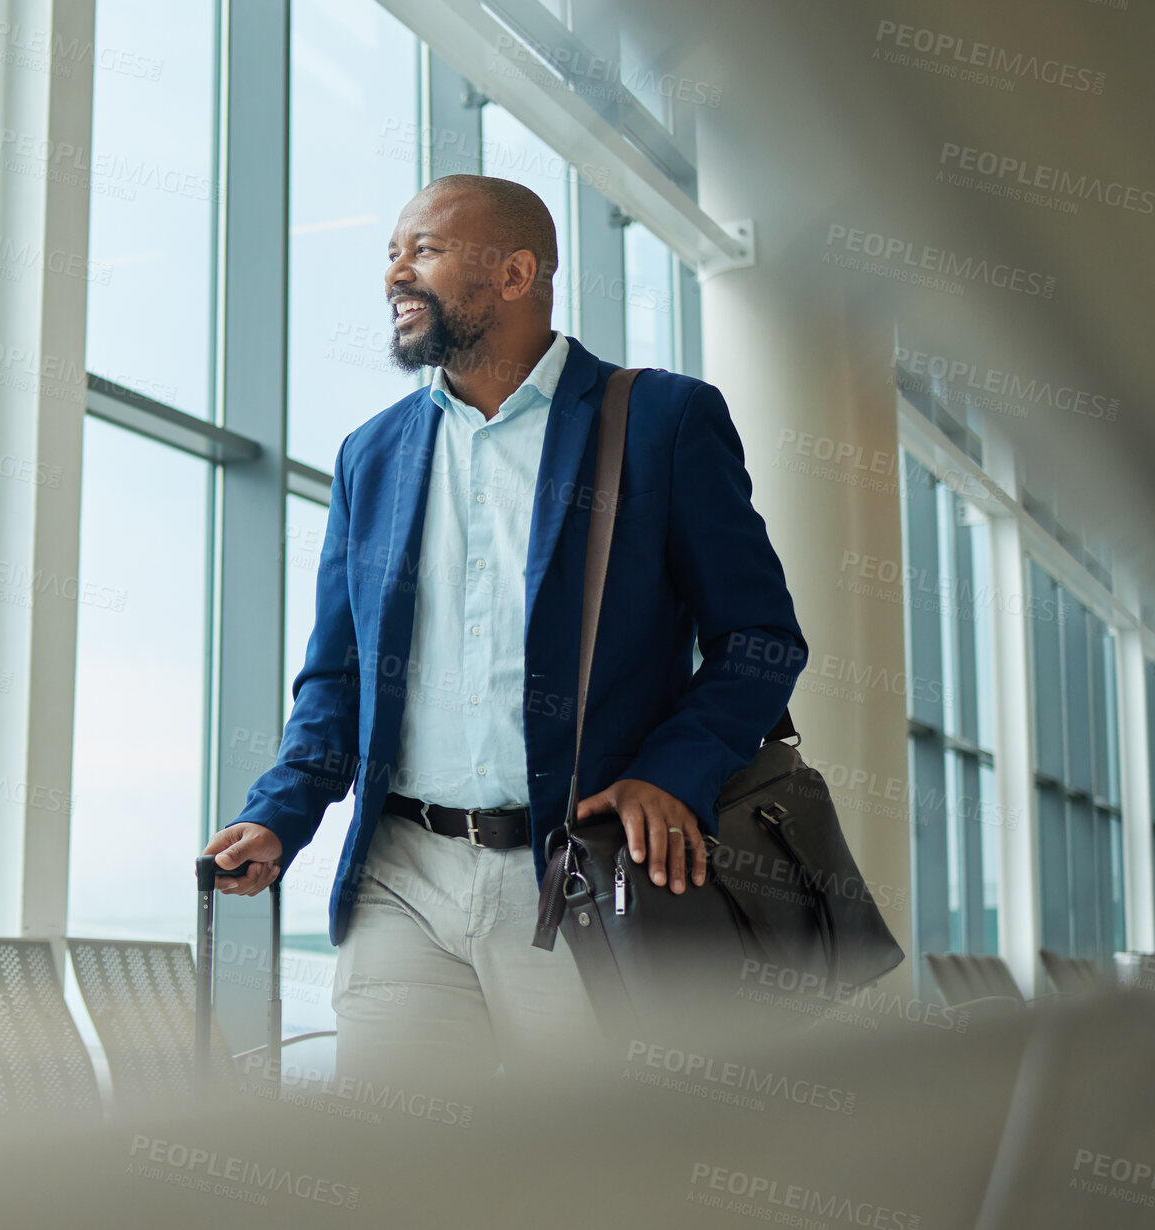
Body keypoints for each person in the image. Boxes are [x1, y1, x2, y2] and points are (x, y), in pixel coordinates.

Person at [200, 174, 807, 1095]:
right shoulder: (374, 453)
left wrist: (669, 771)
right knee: (392, 1175)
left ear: (516, 272)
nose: (396, 273)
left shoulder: (660, 422)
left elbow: (759, 638)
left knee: (592, 1174)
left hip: (575, 880)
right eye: (393, 252)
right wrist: (279, 812)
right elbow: (339, 675)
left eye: (425, 250)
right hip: (402, 872)